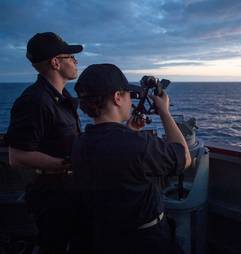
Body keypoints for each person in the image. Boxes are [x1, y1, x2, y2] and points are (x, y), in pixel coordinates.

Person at [71, 64, 191, 253]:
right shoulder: (138, 146)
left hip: (105, 238)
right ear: (117, 97)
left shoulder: (81, 142)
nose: (131, 101)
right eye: (129, 95)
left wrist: (129, 132)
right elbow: (184, 158)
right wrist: (165, 113)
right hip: (146, 241)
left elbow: (112, 153)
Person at [5, 32, 83, 253]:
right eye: (70, 56)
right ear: (56, 62)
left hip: (69, 191)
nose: (76, 61)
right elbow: (17, 156)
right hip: (52, 198)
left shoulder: (60, 97)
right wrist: (69, 164)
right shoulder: (35, 101)